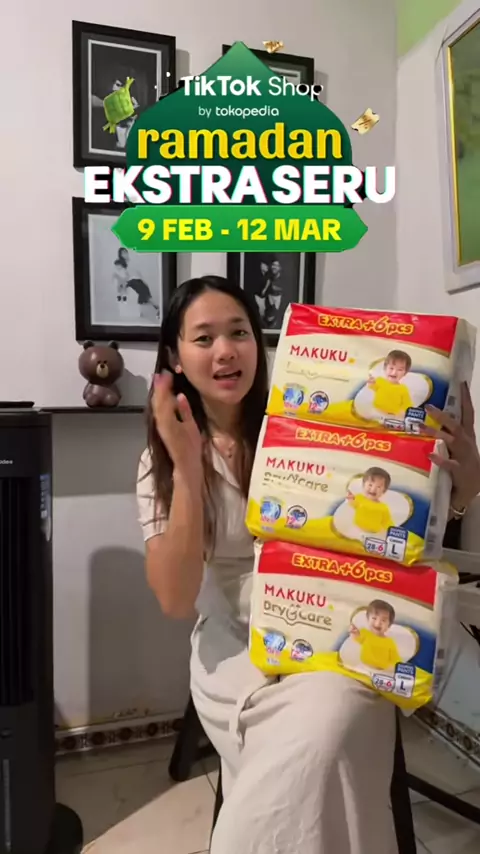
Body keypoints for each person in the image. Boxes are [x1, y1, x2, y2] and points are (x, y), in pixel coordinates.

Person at [136, 274, 480, 854]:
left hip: (338, 627)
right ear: (174, 357)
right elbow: (174, 598)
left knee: (334, 714)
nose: (225, 351)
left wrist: (464, 482)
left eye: (239, 332)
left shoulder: (315, 424)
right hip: (237, 650)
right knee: (317, 737)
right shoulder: (161, 460)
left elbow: (405, 522)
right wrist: (189, 471)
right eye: (204, 338)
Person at [349, 600, 401, 671]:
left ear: (389, 625)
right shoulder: (364, 633)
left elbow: (396, 661)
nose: (378, 623)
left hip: (382, 671)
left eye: (383, 620)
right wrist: (353, 631)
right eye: (374, 618)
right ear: (368, 619)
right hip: (364, 667)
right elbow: (356, 637)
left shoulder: (390, 642)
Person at [112, 248, 159, 320]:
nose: (125, 254)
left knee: (144, 286)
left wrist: (143, 280)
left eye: (126, 252)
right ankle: (154, 304)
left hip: (136, 280)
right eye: (123, 253)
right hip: (128, 281)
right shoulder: (119, 263)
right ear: (120, 255)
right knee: (137, 285)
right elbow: (119, 274)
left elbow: (137, 273)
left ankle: (153, 303)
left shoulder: (132, 262)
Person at [346, 467, 395, 534]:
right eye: (370, 485)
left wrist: (393, 531)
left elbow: (387, 522)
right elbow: (351, 504)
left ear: (384, 491)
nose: (373, 489)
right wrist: (350, 498)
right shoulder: (359, 498)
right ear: (363, 485)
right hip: (356, 530)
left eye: (378, 487)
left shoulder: (383, 507)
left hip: (374, 534)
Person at [367, 350, 414, 417]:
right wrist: (370, 382)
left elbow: (407, 406)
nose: (394, 372)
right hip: (376, 411)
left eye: (400, 370)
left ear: (405, 373)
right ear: (385, 368)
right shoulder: (379, 380)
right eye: (391, 368)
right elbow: (371, 387)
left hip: (392, 416)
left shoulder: (403, 389)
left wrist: (402, 413)